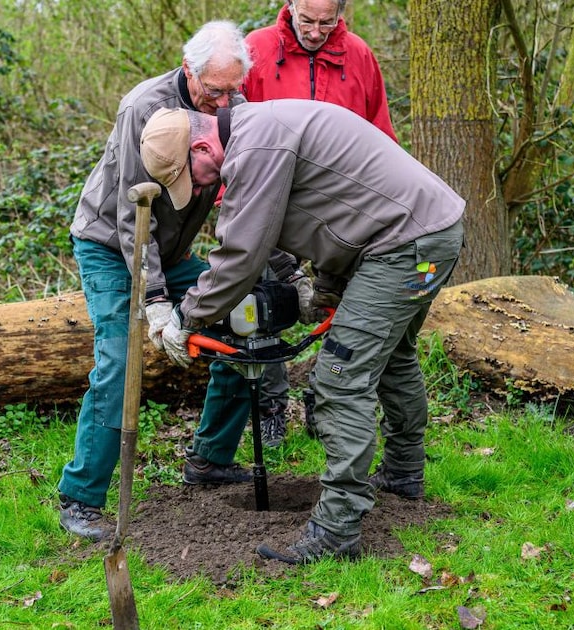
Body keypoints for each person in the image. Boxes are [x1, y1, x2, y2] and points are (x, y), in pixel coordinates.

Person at [139, 99, 465, 564]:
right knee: (394, 357)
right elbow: (339, 211)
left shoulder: (257, 145)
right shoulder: (264, 129)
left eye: (195, 176)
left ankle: (336, 532)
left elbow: (241, 255)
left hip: (404, 247)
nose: (202, 187)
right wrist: (328, 290)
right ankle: (403, 473)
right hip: (423, 234)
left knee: (338, 376)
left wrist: (185, 318)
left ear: (203, 145)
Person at [57, 21, 279, 542]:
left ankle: (209, 459)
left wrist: (272, 267)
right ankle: (81, 497)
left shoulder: (234, 108)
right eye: (214, 90)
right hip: (112, 246)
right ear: (188, 70)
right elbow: (133, 217)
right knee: (120, 361)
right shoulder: (144, 108)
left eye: (233, 90)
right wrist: (155, 300)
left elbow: (252, 192)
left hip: (174, 249)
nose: (224, 101)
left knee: (239, 325)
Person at [242, 0, 398, 448]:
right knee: (265, 309)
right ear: (288, 7)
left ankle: (321, 395)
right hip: (271, 207)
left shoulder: (360, 56)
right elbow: (229, 134)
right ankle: (271, 405)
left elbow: (380, 135)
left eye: (325, 23)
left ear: (341, 14)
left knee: (343, 312)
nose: (314, 31)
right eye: (306, 21)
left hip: (344, 213)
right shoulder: (256, 51)